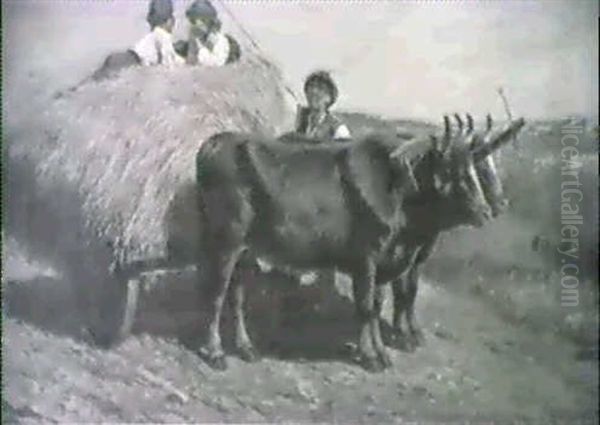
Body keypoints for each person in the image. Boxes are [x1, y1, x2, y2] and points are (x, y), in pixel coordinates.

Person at [90, 0, 183, 82]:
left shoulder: (151, 36)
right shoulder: (163, 35)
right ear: (170, 21)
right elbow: (169, 68)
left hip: (121, 57)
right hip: (130, 62)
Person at [295, 71, 352, 141]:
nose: (314, 91)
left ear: (329, 98)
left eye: (320, 88)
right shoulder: (300, 124)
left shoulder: (337, 129)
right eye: (311, 87)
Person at [182, 0, 240, 67]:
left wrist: (199, 48)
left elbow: (212, 65)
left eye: (193, 21)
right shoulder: (198, 38)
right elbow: (190, 61)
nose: (191, 25)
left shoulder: (219, 41)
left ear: (206, 21)